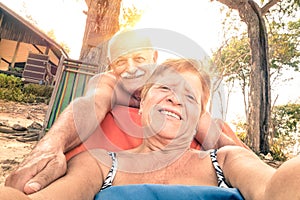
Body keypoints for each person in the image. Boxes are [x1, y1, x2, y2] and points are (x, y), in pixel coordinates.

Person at [1, 58, 300, 200]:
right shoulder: (101, 161)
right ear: (141, 105)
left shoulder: (226, 159)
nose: (174, 97)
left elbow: (273, 189)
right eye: (165, 88)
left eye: (189, 96)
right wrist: (50, 146)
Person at [5, 29, 246, 194]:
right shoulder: (110, 82)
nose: (130, 69)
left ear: (154, 58)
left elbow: (206, 126)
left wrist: (241, 163)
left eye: (139, 58)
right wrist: (51, 146)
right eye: (121, 61)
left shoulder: (173, 86)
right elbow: (91, 103)